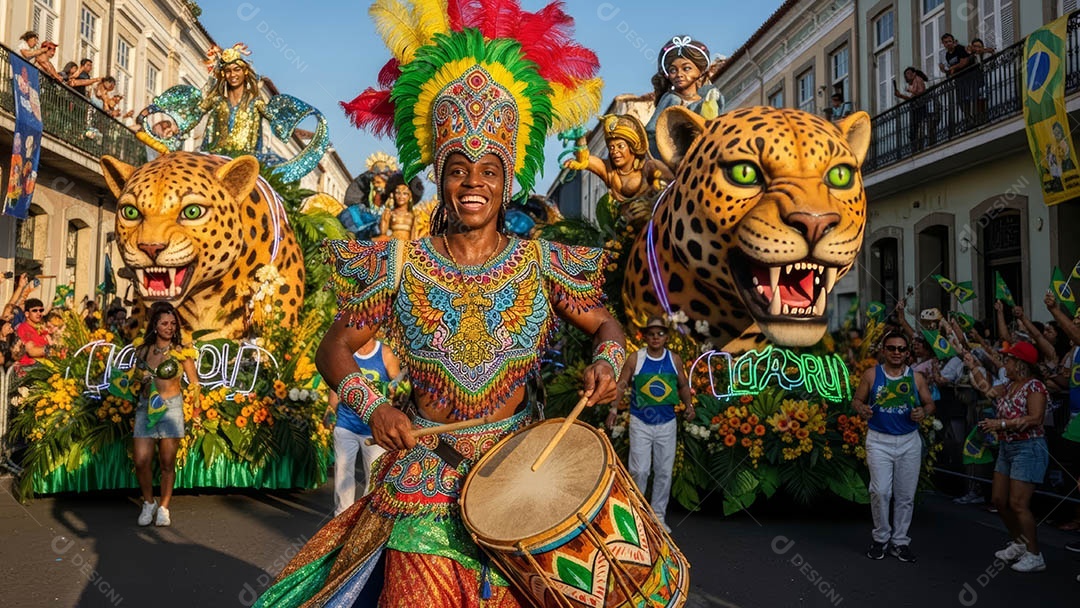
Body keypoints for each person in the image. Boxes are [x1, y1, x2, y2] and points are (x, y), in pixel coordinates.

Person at [257, 5, 610, 605]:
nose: (474, 183)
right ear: (441, 179)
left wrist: (609, 359)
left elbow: (605, 324)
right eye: (459, 170)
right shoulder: (400, 262)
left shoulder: (543, 262)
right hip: (424, 480)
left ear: (507, 181)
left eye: (489, 170)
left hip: (518, 477)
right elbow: (335, 346)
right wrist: (372, 408)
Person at [965, 341, 1049, 572]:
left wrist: (1001, 424)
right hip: (1007, 447)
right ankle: (1019, 543)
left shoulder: (1034, 387)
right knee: (999, 500)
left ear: (1020, 364)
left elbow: (1036, 418)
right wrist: (973, 366)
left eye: (1008, 360)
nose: (1005, 364)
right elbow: (987, 390)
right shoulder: (1010, 385)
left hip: (1028, 448)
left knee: (1018, 504)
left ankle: (1035, 554)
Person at [852, 331, 936, 563]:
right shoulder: (872, 374)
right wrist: (861, 408)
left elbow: (930, 404)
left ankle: (900, 541)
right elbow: (856, 400)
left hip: (909, 441)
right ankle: (881, 538)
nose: (896, 352)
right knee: (880, 491)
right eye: (891, 348)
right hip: (879, 440)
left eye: (901, 349)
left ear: (907, 352)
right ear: (883, 350)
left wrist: (923, 412)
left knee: (905, 495)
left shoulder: (916, 378)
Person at [607, 316, 695, 532]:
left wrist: (689, 406)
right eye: (652, 334)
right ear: (645, 336)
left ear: (666, 337)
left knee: (664, 471)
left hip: (667, 423)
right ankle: (637, 516)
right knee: (639, 470)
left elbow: (683, 385)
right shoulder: (635, 358)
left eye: (660, 333)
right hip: (641, 422)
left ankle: (658, 517)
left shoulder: (674, 359)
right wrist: (613, 409)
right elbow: (621, 384)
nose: (656, 337)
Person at [130, 302, 199, 527]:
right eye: (164, 323)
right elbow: (134, 377)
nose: (169, 327)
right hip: (145, 408)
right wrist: (139, 379)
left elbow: (195, 382)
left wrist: (196, 409)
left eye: (172, 324)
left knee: (167, 461)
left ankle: (164, 508)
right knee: (141, 460)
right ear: (155, 326)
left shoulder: (181, 352)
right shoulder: (143, 350)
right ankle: (149, 503)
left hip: (171, 409)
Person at [326, 339, 400, 515]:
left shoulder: (385, 353)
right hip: (346, 424)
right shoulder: (347, 353)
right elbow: (336, 385)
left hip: (374, 429)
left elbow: (398, 383)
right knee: (343, 474)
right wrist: (331, 410)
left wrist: (395, 392)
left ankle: (365, 517)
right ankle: (342, 516)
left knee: (373, 477)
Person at [563, 114, 674, 226]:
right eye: (611, 147)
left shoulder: (650, 166)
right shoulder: (609, 170)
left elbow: (671, 187)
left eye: (620, 146)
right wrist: (580, 139)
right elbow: (584, 160)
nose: (615, 151)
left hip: (658, 223)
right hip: (626, 229)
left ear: (632, 147)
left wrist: (650, 205)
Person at [645, 35, 720, 152]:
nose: (679, 74)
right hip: (676, 154)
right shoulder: (672, 99)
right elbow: (653, 130)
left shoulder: (709, 98)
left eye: (686, 68)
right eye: (673, 70)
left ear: (700, 71)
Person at [894, 67, 930, 152]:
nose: (906, 76)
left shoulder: (918, 79)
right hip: (916, 108)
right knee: (914, 130)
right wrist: (900, 95)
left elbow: (921, 92)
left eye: (908, 74)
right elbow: (911, 98)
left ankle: (919, 146)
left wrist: (910, 90)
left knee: (919, 128)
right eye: (905, 75)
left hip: (920, 106)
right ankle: (916, 147)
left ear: (914, 74)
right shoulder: (913, 84)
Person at [378, 173, 417, 240]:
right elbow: (383, 233)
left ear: (410, 196)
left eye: (405, 193)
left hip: (407, 244)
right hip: (393, 243)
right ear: (393, 195)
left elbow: (414, 236)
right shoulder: (390, 213)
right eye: (398, 193)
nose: (401, 197)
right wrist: (386, 214)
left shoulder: (413, 215)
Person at [15, 298, 49, 370]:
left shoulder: (41, 329)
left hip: (43, 367)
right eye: (34, 311)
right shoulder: (24, 328)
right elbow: (31, 351)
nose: (39, 313)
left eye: (41, 310)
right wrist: (50, 351)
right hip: (29, 368)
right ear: (27, 314)